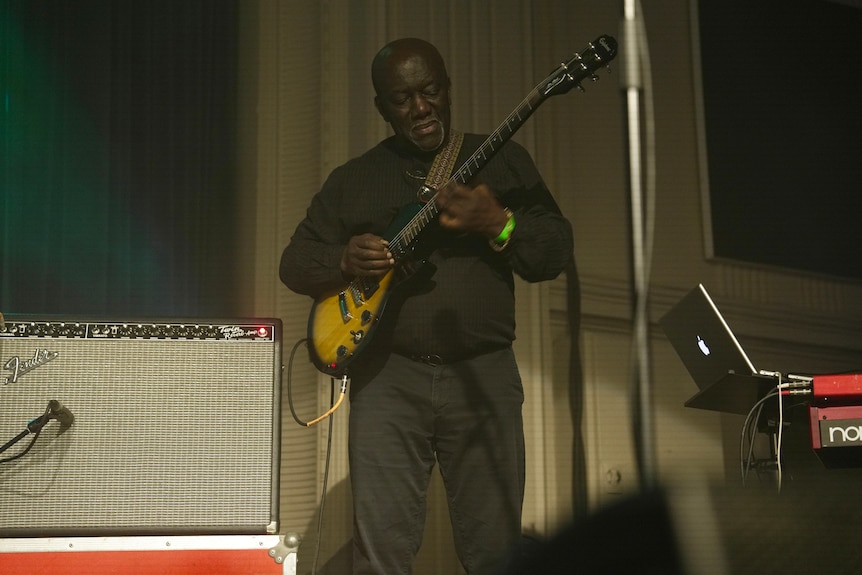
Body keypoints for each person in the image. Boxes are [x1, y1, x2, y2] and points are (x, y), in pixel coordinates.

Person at [280, 37, 574, 575]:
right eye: (402, 98)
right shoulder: (354, 179)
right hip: (388, 378)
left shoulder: (503, 160)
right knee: (380, 554)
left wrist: (497, 223)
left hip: (484, 374)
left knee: (496, 551)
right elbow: (295, 263)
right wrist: (345, 260)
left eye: (430, 90)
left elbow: (554, 251)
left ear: (447, 87)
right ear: (381, 108)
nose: (420, 108)